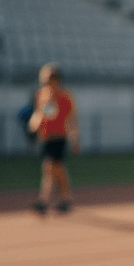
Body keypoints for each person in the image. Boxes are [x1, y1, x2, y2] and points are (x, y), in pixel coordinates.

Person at [28, 63, 80, 215]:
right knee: (55, 169)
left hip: (59, 137)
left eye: (47, 77)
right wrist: (33, 127)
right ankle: (65, 200)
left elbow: (72, 119)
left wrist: (75, 139)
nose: (43, 80)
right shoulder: (42, 94)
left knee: (50, 167)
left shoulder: (65, 96)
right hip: (46, 137)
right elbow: (39, 113)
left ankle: (44, 201)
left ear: (55, 78)